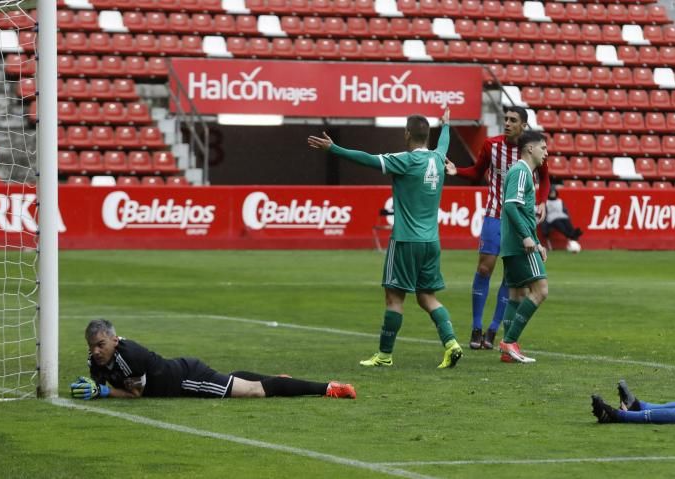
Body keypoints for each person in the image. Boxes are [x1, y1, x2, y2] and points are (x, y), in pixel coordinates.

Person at [307, 108, 463, 369]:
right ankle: (451, 344)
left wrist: (334, 149)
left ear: (406, 134)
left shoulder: (405, 160)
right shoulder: (438, 158)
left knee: (394, 299)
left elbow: (367, 159)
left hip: (405, 240)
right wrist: (446, 125)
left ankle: (384, 355)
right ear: (428, 136)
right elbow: (443, 143)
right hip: (431, 242)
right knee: (427, 298)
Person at [444, 106, 550, 351]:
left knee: (511, 277)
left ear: (524, 125)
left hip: (519, 220)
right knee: (484, 268)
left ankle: (494, 330)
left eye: (513, 120)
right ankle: (477, 327)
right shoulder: (492, 145)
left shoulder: (533, 150)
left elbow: (545, 177)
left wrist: (543, 200)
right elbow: (477, 173)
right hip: (495, 213)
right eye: (506, 119)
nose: (507, 123)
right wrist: (456, 171)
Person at [70, 319, 356, 400]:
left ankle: (327, 388)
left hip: (188, 380)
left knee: (255, 391)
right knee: (236, 378)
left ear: (114, 340)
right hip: (184, 373)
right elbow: (95, 381)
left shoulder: (129, 355)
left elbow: (136, 393)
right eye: (92, 346)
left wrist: (104, 392)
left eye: (101, 344)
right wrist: (93, 388)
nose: (96, 351)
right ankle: (279, 381)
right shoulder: (94, 360)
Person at [497, 130, 550, 364]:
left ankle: (508, 351)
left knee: (517, 294)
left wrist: (537, 241)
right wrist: (527, 238)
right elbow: (511, 206)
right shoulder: (521, 171)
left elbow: (523, 212)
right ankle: (510, 342)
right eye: (543, 148)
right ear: (530, 148)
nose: (546, 153)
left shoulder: (524, 173)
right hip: (520, 244)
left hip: (513, 243)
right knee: (540, 291)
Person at [540, 186, 583, 251]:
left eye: (553, 193)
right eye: (551, 193)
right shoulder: (546, 202)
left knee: (567, 222)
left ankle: (572, 234)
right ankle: (573, 235)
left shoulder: (560, 201)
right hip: (552, 219)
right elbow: (544, 214)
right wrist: (544, 226)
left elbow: (565, 211)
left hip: (562, 216)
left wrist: (566, 216)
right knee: (559, 224)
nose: (552, 194)